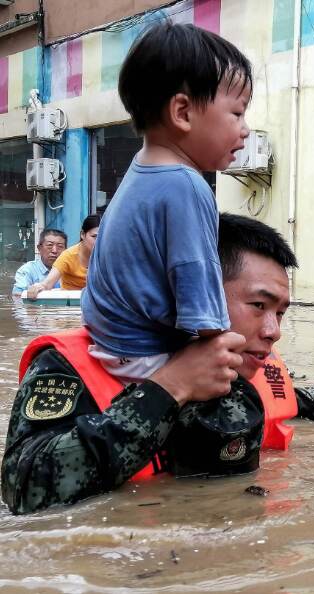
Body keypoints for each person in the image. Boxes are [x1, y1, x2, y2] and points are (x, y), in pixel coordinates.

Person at [1, 214, 314, 514]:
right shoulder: (73, 365)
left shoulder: (245, 363)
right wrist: (169, 388)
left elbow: (290, 405)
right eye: (259, 305)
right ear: (193, 292)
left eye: (282, 312)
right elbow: (23, 487)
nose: (274, 330)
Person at [80, 21, 252, 385]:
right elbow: (202, 303)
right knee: (243, 388)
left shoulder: (140, 172)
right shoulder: (186, 185)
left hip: (111, 344)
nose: (245, 128)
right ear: (183, 113)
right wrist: (234, 346)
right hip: (146, 356)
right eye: (237, 113)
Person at [26, 215, 100, 297]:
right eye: (94, 236)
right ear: (82, 234)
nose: (99, 241)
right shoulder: (68, 256)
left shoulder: (109, 256)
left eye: (103, 236)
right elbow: (48, 283)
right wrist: (38, 287)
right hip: (70, 303)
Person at [12, 228, 67, 296]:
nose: (54, 251)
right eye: (49, 245)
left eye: (60, 246)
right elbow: (17, 295)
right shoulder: (27, 270)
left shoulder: (71, 268)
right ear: (39, 248)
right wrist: (29, 293)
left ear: (66, 251)